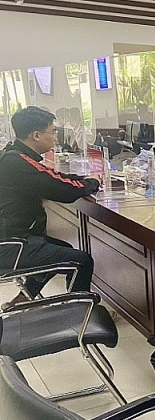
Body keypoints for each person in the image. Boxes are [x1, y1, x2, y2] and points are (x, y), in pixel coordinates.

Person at [0, 106, 102, 309]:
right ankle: (79, 314)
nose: (56, 137)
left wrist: (85, 179)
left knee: (61, 251)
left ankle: (24, 298)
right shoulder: (16, 162)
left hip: (15, 237)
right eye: (53, 131)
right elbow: (62, 190)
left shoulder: (15, 156)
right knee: (81, 261)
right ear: (36, 135)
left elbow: (52, 178)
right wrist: (92, 183)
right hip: (12, 244)